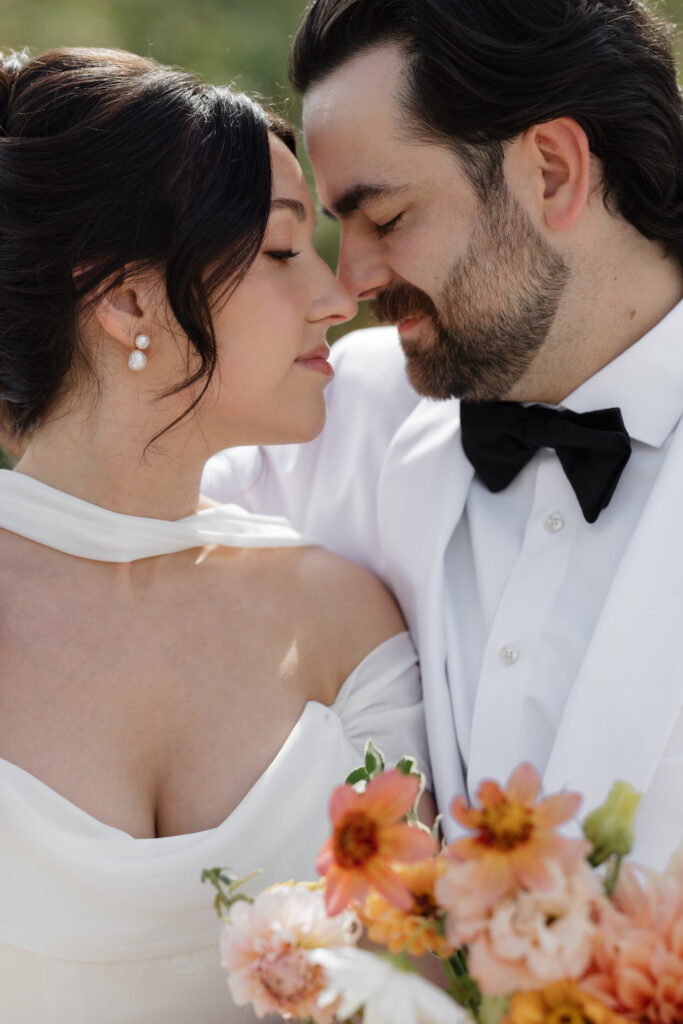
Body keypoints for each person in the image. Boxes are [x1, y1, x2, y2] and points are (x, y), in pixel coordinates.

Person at [0, 47, 432, 1023]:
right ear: (127, 299)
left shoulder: (339, 616)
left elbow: (423, 981)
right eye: (283, 251)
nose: (338, 296)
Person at [205, 0, 683, 871]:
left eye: (384, 220)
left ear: (550, 171)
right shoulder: (328, 412)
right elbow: (110, 533)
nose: (348, 283)